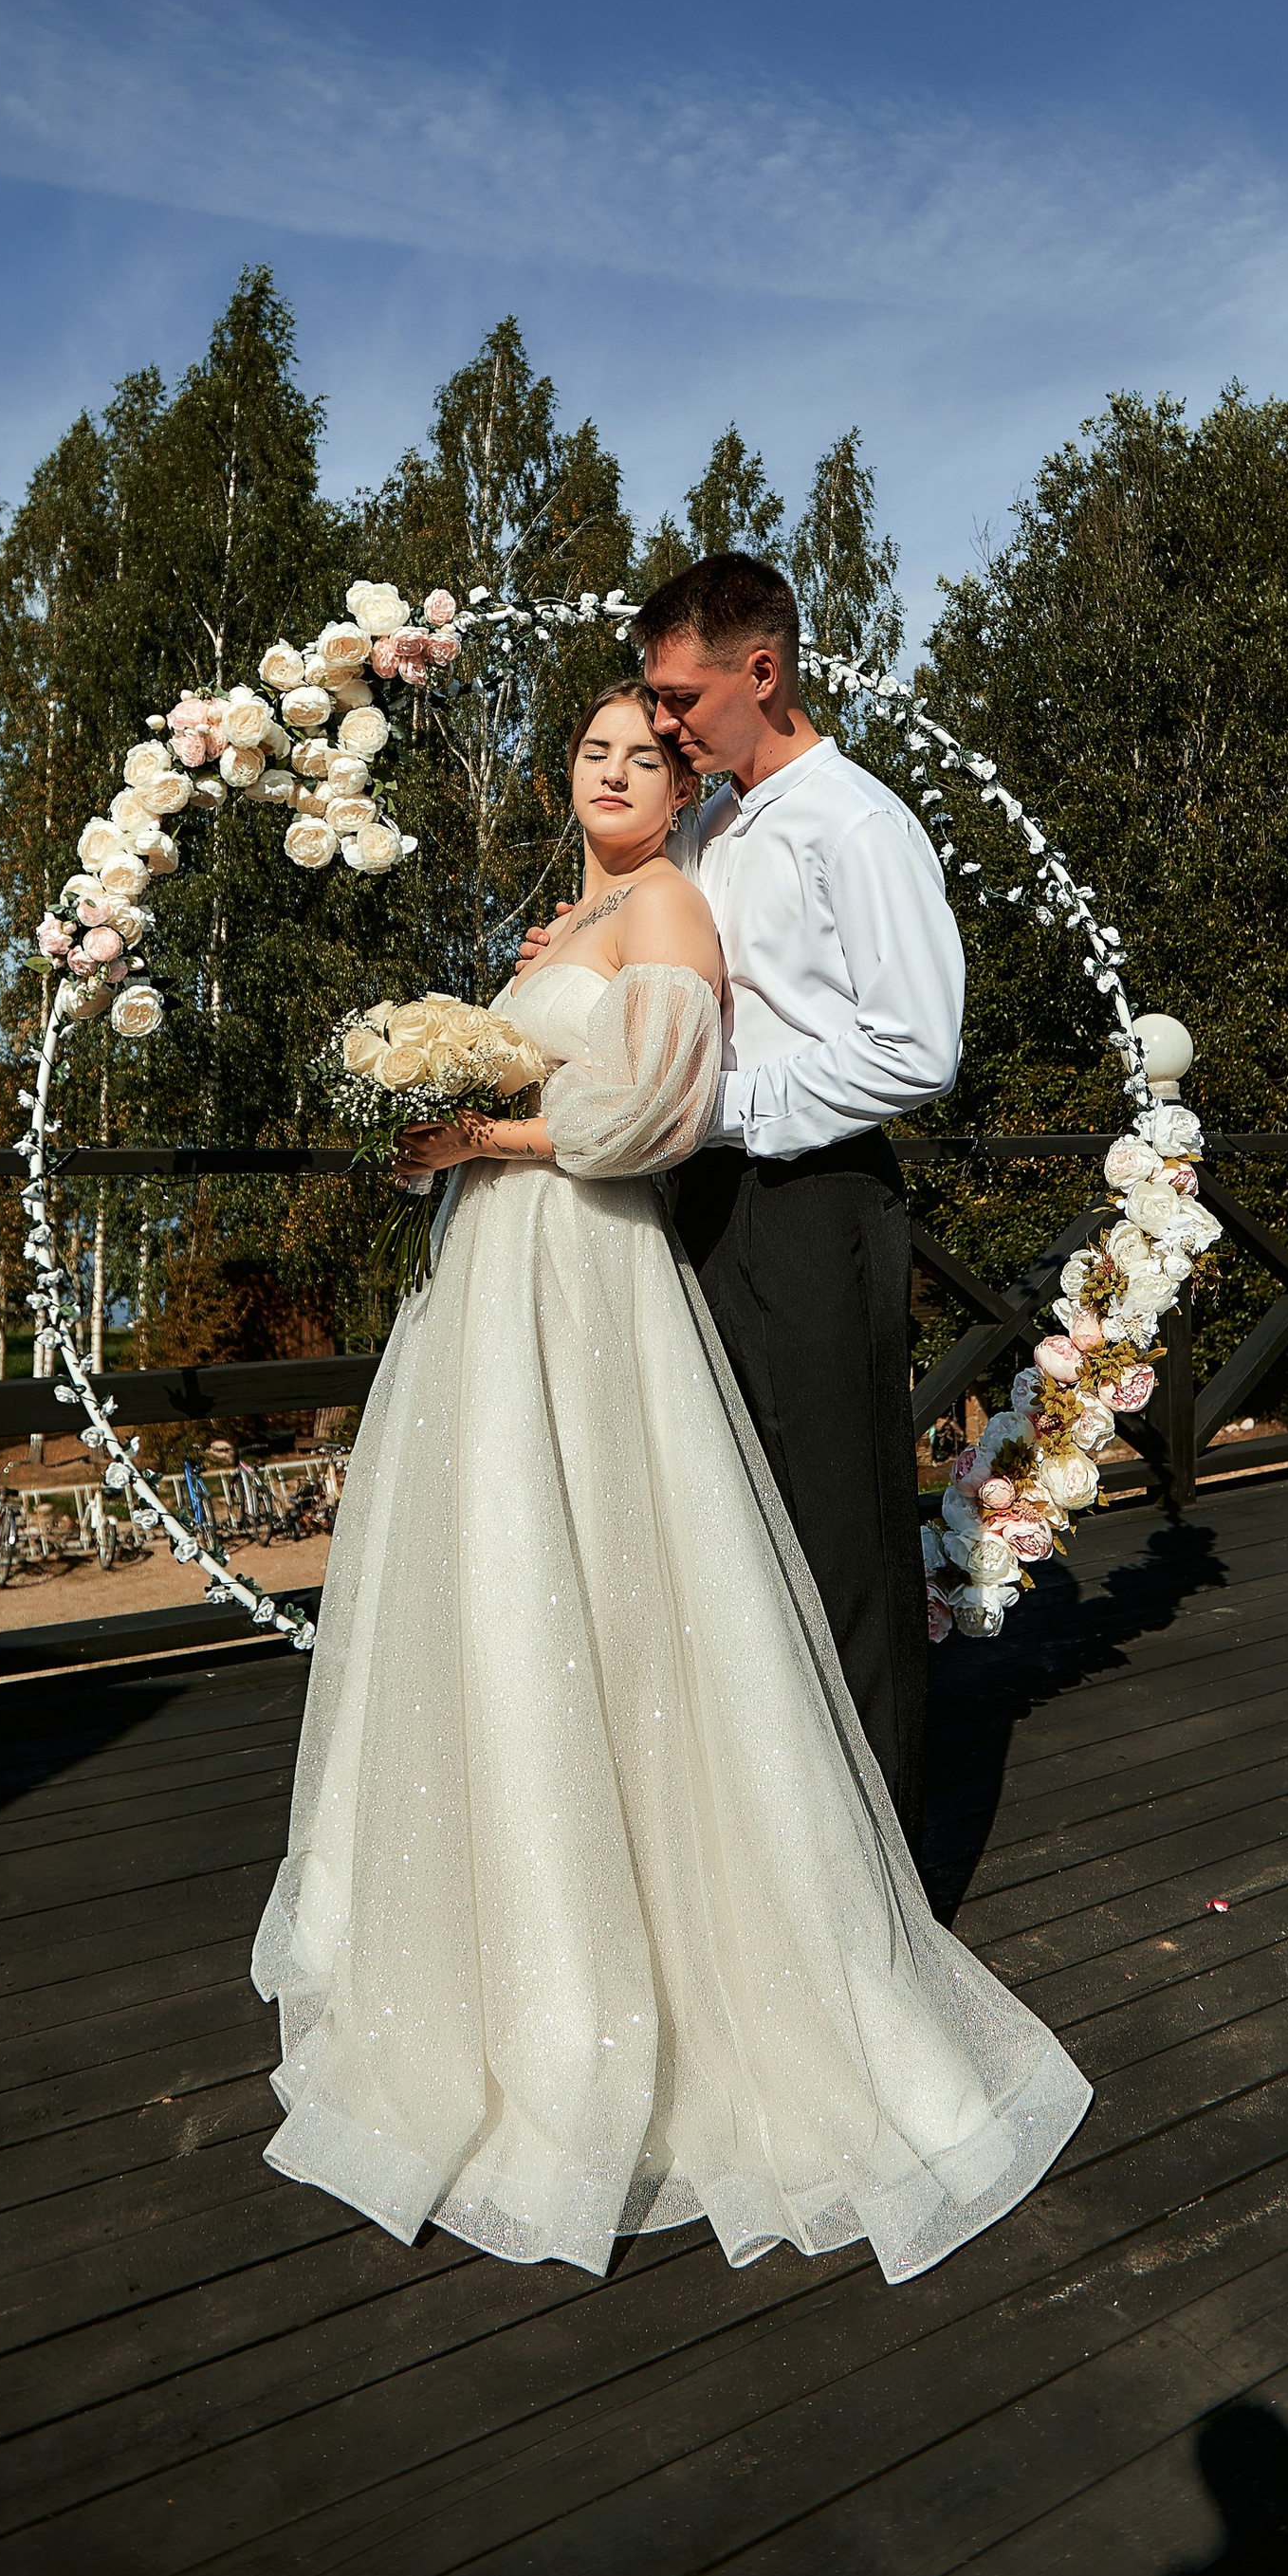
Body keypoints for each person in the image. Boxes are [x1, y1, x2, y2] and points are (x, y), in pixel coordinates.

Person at [251, 680, 1089, 2284]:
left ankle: (653, 1955)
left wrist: (486, 1133)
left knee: (622, 1575)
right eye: (594, 751)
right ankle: (482, 1919)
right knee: (494, 1570)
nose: (617, 770)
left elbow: (647, 1118)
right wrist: (449, 1108)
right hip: (489, 1281)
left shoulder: (677, 911)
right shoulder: (571, 915)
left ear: (681, 771)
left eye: (646, 751)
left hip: (586, 1268)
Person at [531, 553, 962, 1848]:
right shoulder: (712, 827)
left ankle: (880, 1885)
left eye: (677, 695)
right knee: (735, 1534)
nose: (662, 724)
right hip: (699, 1210)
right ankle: (773, 1850)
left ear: (761, 673)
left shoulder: (858, 825)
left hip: (813, 1204)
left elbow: (916, 1046)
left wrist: (707, 1111)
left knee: (842, 1542)